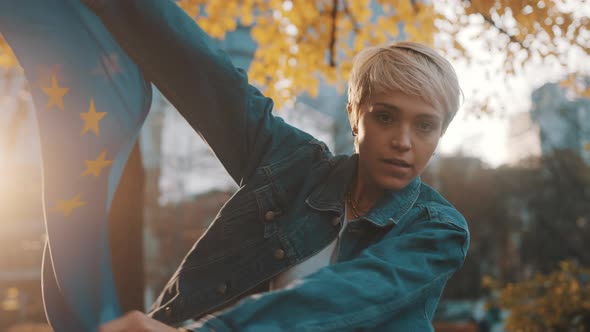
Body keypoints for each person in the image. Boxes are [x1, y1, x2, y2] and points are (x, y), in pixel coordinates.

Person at [83, 0, 470, 331]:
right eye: (385, 117)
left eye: (424, 126)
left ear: (440, 135)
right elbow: (202, 75)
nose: (403, 141)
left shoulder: (437, 228)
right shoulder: (292, 165)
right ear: (354, 116)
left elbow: (341, 297)